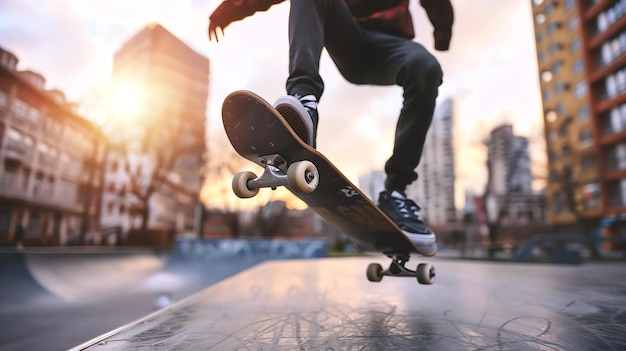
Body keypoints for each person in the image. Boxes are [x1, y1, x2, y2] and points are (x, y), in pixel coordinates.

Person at [209, 0, 453, 251]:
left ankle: (396, 193)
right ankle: (305, 106)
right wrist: (230, 9)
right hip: (349, 37)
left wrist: (442, 34)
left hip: (392, 49)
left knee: (426, 68)